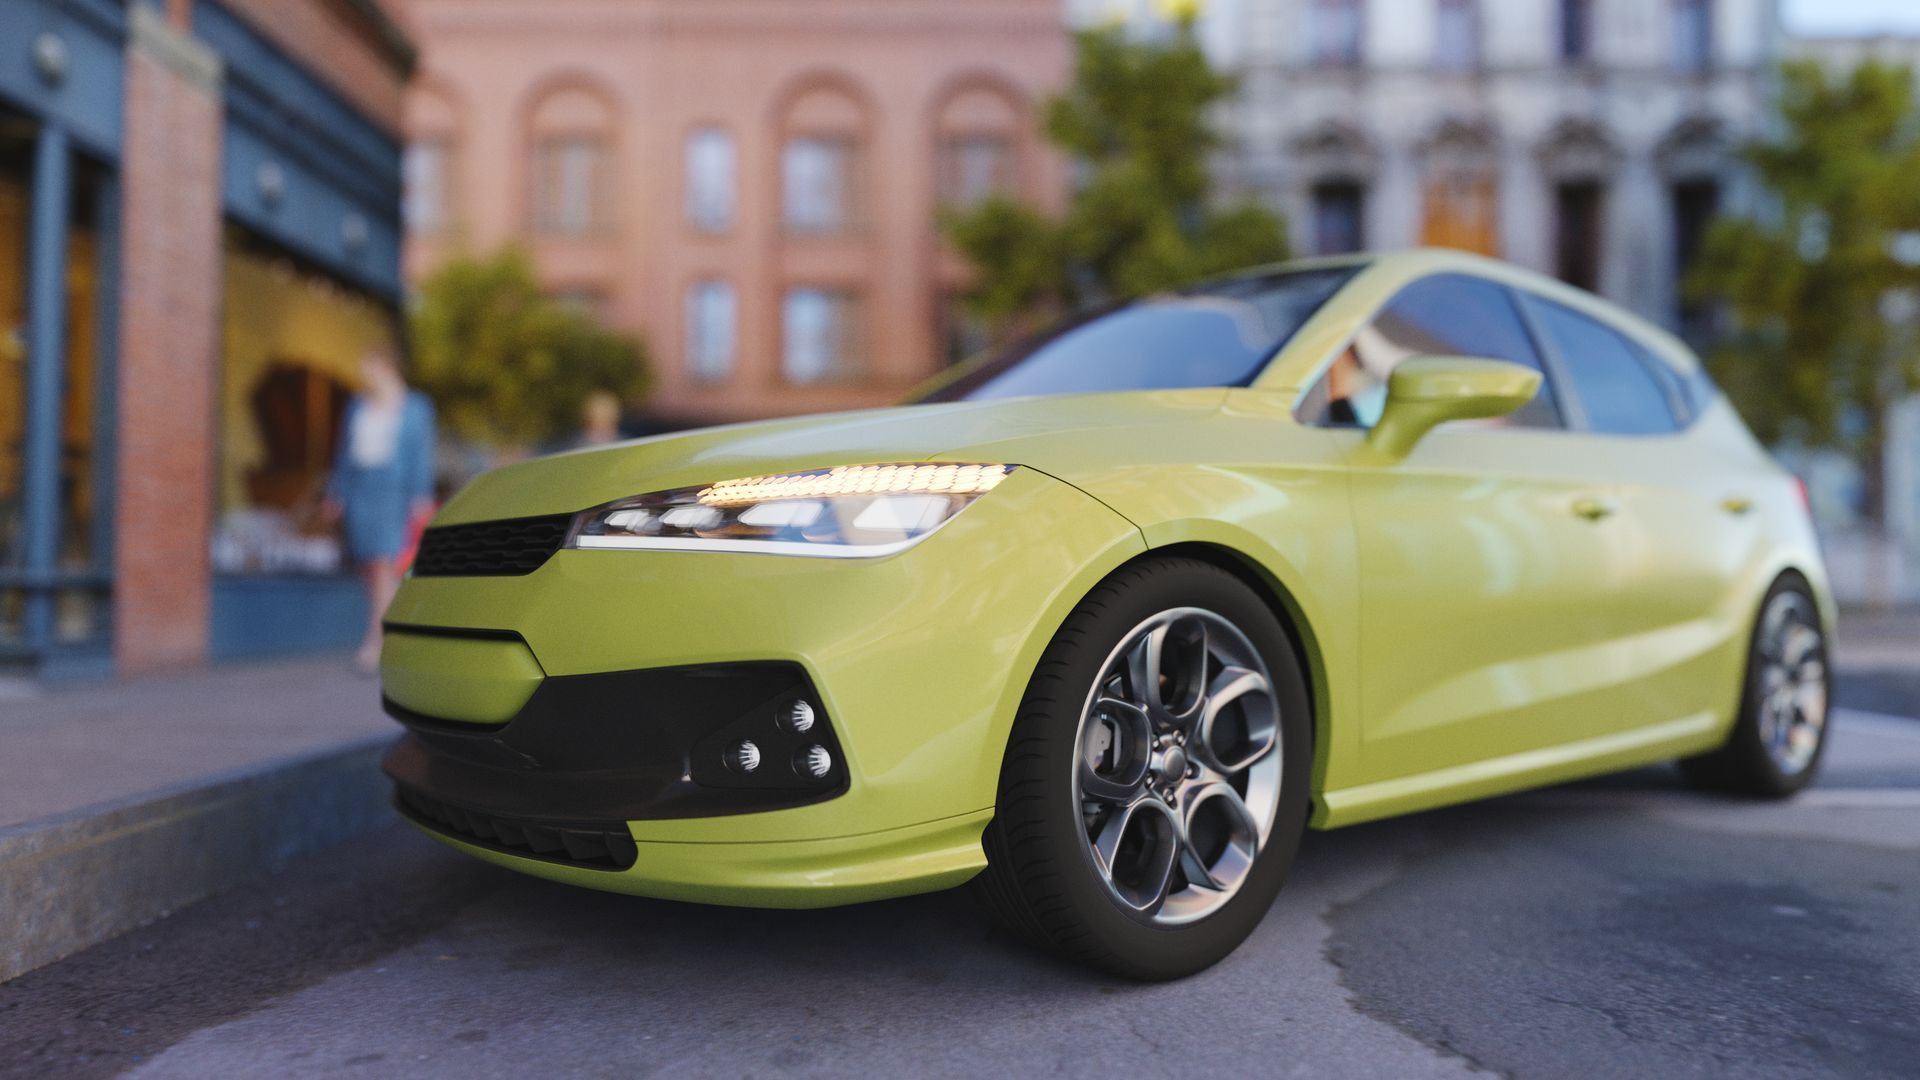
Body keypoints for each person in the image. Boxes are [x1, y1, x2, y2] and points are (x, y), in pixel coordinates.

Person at [326, 346, 436, 673]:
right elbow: (344, 453)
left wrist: (421, 496)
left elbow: (420, 453)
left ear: (387, 368)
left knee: (384, 567)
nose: (365, 375)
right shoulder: (357, 406)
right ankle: (392, 635)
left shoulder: (416, 407)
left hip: (394, 492)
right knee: (368, 570)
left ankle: (374, 644)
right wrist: (338, 493)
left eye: (369, 368)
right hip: (361, 491)